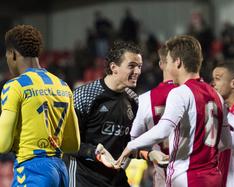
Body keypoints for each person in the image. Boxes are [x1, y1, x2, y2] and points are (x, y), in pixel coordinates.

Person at [115, 35, 234, 187]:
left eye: (170, 60)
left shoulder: (180, 92)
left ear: (177, 62)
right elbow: (226, 142)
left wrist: (131, 145)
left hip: (186, 177)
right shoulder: (216, 94)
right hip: (213, 177)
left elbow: (163, 130)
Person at [0, 25, 80, 187]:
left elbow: (3, 144)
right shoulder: (63, 86)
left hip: (32, 170)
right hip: (60, 171)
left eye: (7, 55)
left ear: (13, 54)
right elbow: (73, 144)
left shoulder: (15, 86)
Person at [65, 40, 143, 187]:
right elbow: (66, 142)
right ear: (114, 67)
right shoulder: (85, 95)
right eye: (132, 66)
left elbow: (128, 143)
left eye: (139, 66)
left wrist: (149, 154)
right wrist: (95, 152)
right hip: (85, 178)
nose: (137, 71)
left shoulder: (133, 100)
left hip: (116, 177)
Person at [130, 46, 177, 187]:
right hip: (199, 176)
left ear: (161, 64)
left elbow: (133, 140)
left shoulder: (146, 99)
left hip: (163, 175)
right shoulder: (198, 94)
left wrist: (150, 154)